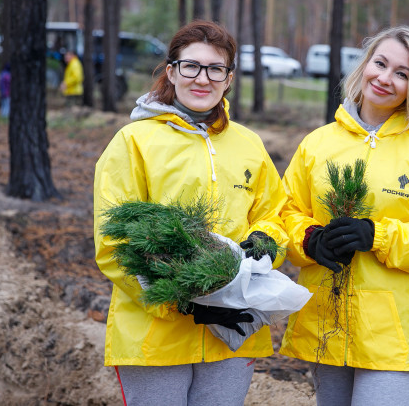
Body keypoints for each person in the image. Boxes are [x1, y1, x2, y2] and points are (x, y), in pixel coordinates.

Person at [278, 26, 409, 406]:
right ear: (365, 65)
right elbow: (286, 212)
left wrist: (379, 236)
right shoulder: (318, 144)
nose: (385, 78)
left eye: (402, 73)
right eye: (381, 63)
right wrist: (310, 240)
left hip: (398, 330)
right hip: (327, 318)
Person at [93, 20, 288, 406]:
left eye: (216, 69)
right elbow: (114, 241)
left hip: (232, 327)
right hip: (156, 332)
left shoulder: (249, 144)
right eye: (191, 66)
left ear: (229, 78)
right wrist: (183, 299)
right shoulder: (134, 143)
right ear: (172, 71)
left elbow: (275, 213)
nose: (203, 78)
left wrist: (267, 242)